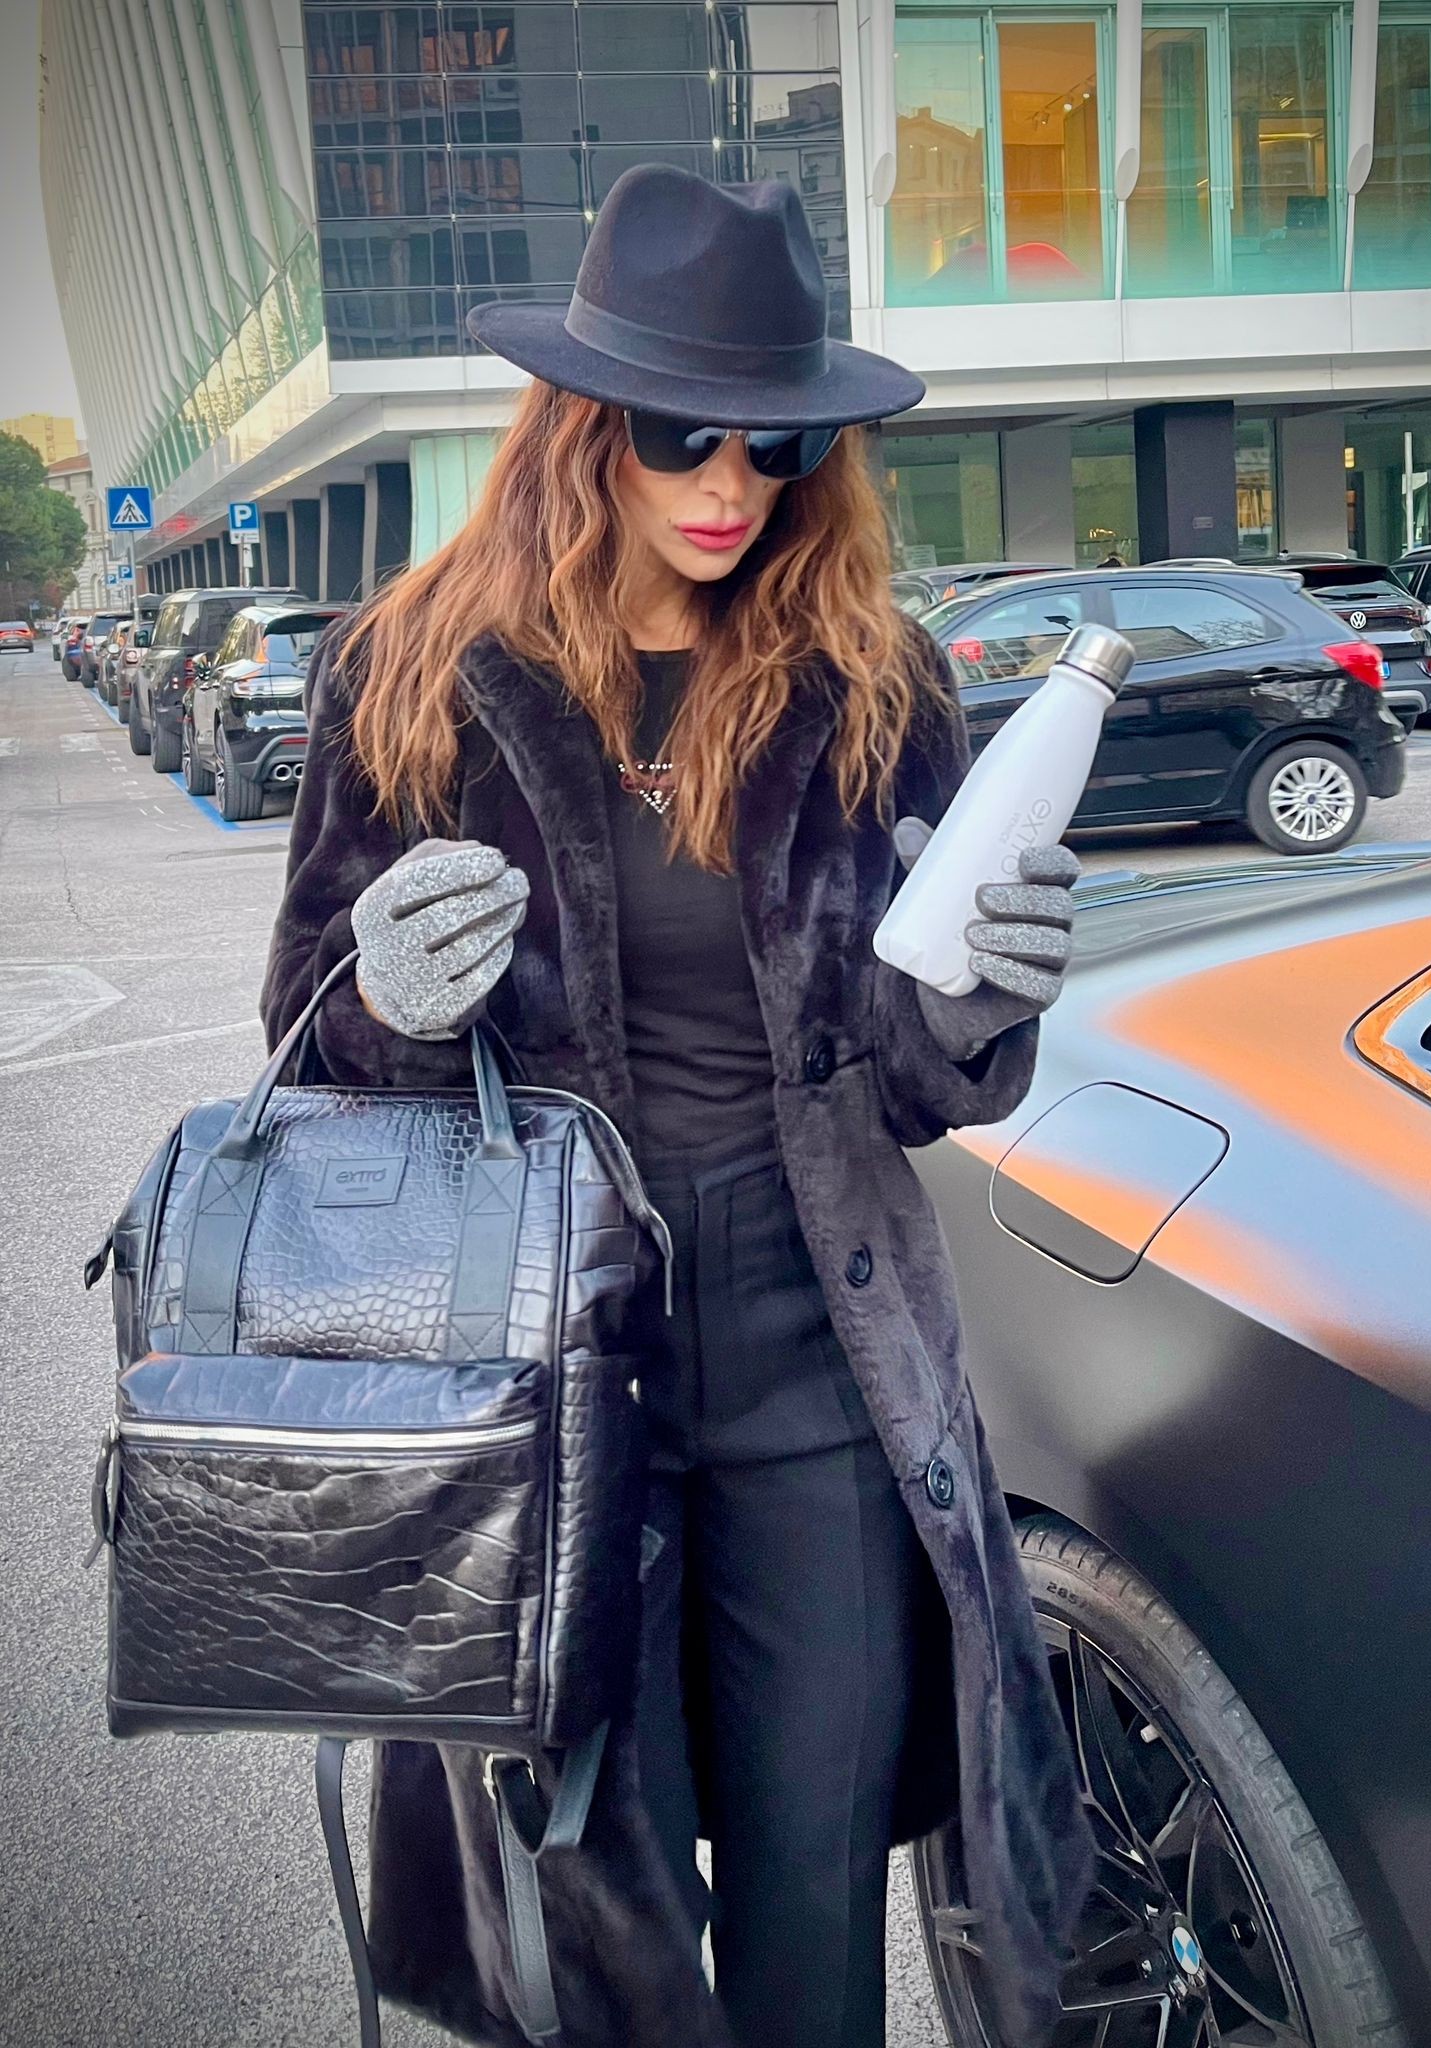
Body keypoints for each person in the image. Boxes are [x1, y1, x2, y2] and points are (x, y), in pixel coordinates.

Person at [262, 165, 1093, 2048]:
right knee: (599, 1919)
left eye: (777, 443)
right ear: (583, 428)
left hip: (821, 1335)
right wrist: (384, 1000)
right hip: (547, 1359)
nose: (731, 483)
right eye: (680, 434)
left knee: (815, 1890)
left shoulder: (874, 683)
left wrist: (978, 1004)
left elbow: (917, 1075)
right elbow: (310, 1045)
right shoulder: (413, 674)